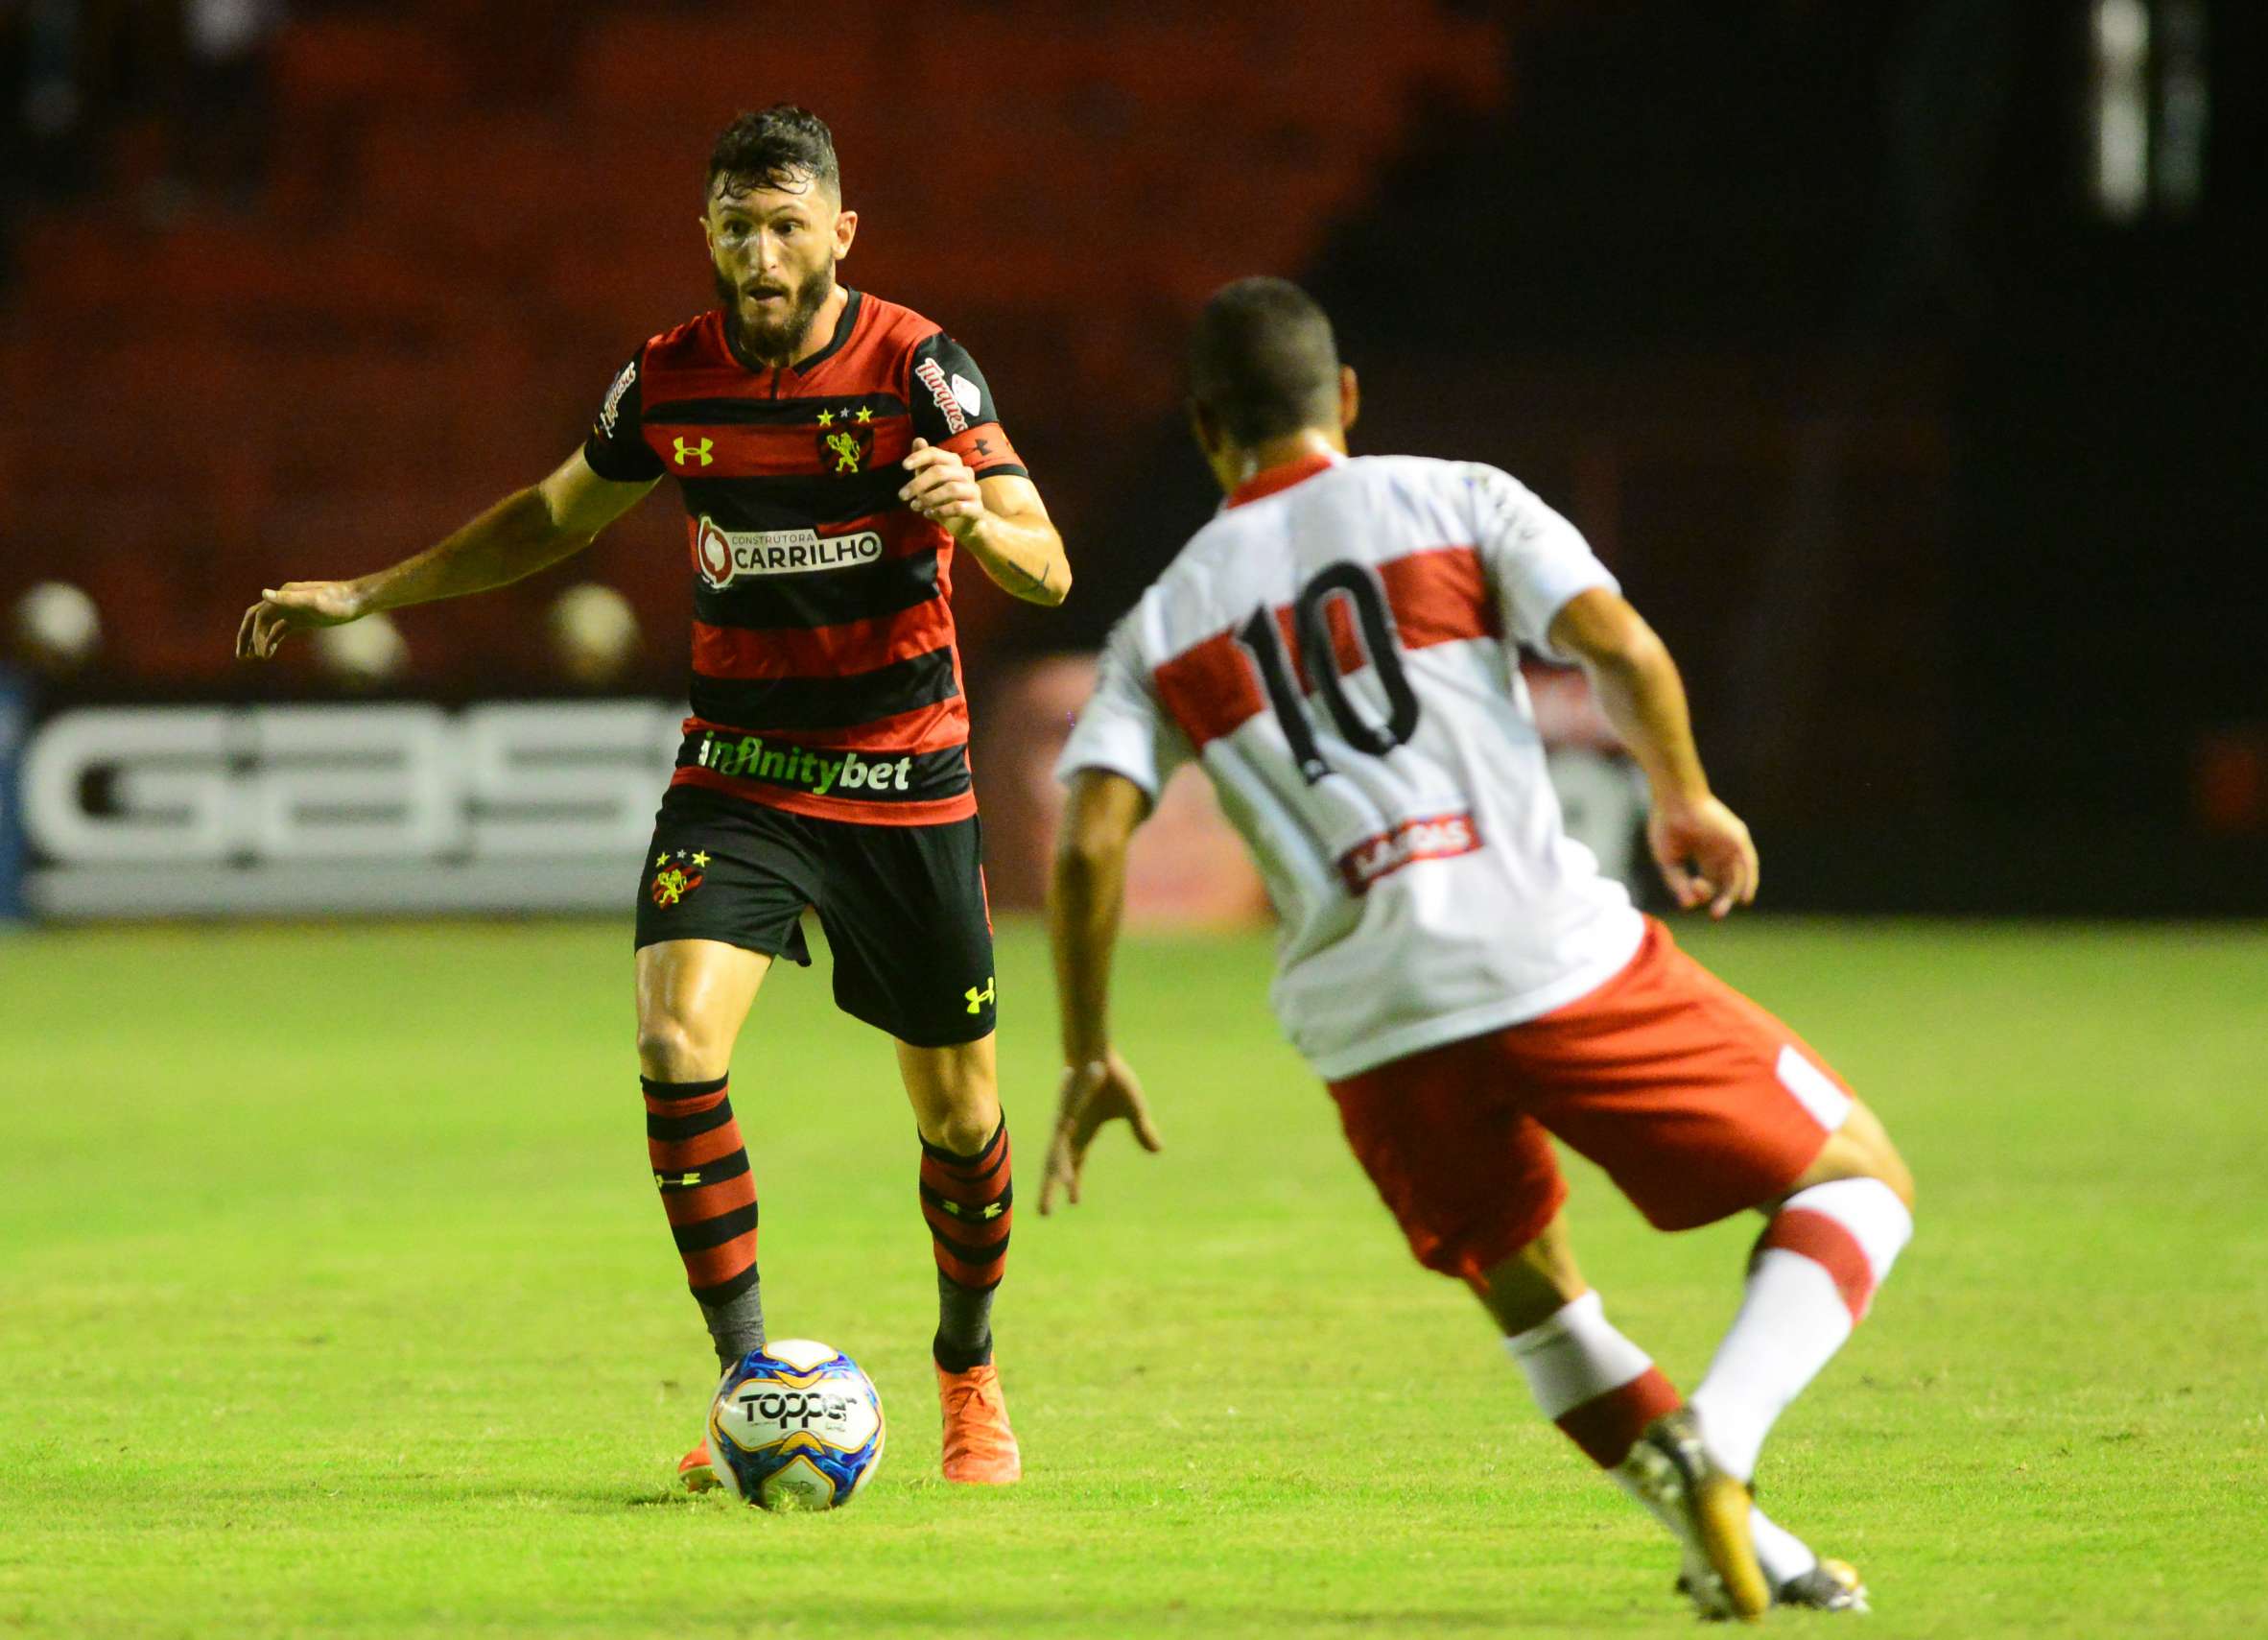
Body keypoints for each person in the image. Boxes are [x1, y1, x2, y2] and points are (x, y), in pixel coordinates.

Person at [1040, 277, 1912, 1616]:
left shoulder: (1162, 621)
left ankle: (1758, 1553)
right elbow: (1615, 640)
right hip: (1541, 953)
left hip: (1368, 1022)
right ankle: (1720, 1444)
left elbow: (1092, 837)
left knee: (1539, 1300)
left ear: (1204, 424)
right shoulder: (1456, 499)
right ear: (1344, 397)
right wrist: (1683, 793)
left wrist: (1092, 1049)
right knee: (1860, 1180)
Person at [237, 106, 1069, 1487]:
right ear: (706, 232)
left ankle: (969, 1372)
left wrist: (976, 516)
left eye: (787, 225)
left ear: (840, 234)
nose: (760, 251)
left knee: (960, 1115)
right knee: (676, 1041)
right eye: (738, 226)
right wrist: (369, 591)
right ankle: (749, 1379)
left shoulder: (920, 368)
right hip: (738, 771)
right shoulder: (667, 381)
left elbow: (1049, 566)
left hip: (902, 773)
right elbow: (552, 515)